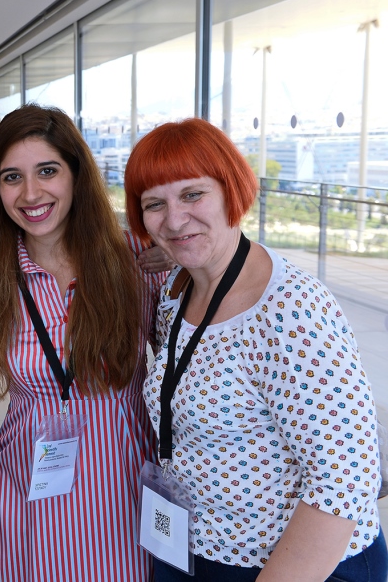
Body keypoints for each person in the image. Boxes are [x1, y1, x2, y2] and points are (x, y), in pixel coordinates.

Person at [124, 118, 386, 582]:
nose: (175, 219)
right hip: (196, 547)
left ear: (232, 191)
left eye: (192, 194)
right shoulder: (177, 290)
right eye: (154, 204)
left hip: (292, 565)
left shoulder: (291, 310)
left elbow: (344, 480)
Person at [0, 105, 166, 581]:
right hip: (29, 498)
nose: (31, 193)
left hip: (125, 491)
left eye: (47, 171)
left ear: (76, 174)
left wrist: (181, 258)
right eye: (12, 177)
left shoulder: (134, 259)